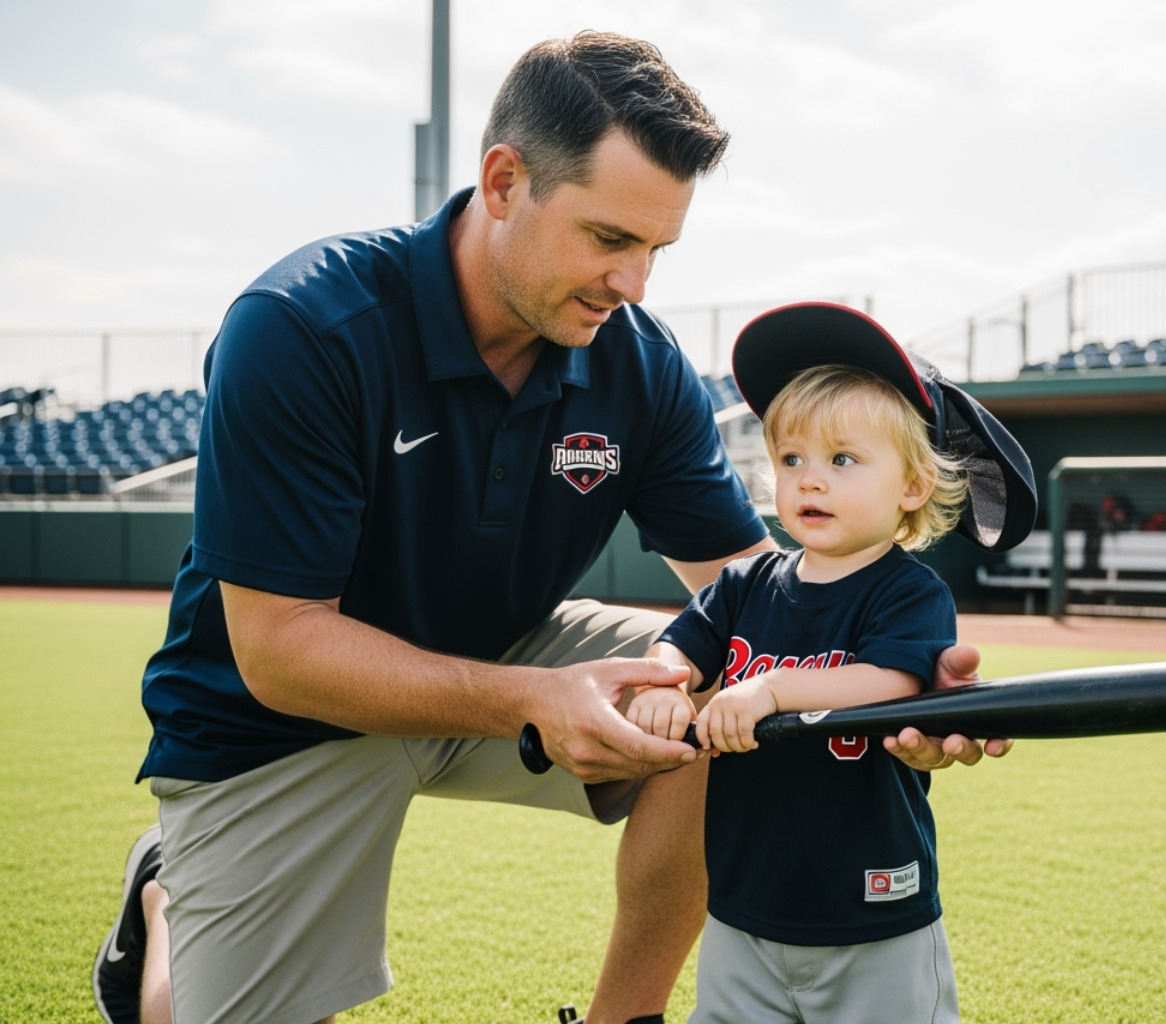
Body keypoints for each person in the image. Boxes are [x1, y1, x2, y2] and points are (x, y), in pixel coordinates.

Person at [91, 33, 1031, 1024]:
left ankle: (625, 1019)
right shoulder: (301, 326)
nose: (633, 284)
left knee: (725, 665)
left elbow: (765, 590)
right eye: (608, 239)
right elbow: (279, 647)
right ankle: (166, 909)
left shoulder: (637, 362)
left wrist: (897, 690)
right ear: (504, 181)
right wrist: (533, 699)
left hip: (507, 657)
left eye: (656, 250)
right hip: (278, 717)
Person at [623, 303, 1036, 1023]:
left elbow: (890, 681)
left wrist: (769, 689)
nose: (809, 481)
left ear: (911, 486)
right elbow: (680, 647)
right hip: (743, 907)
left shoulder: (907, 592)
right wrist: (665, 685)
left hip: (872, 910)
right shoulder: (742, 585)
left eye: (843, 460)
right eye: (791, 460)